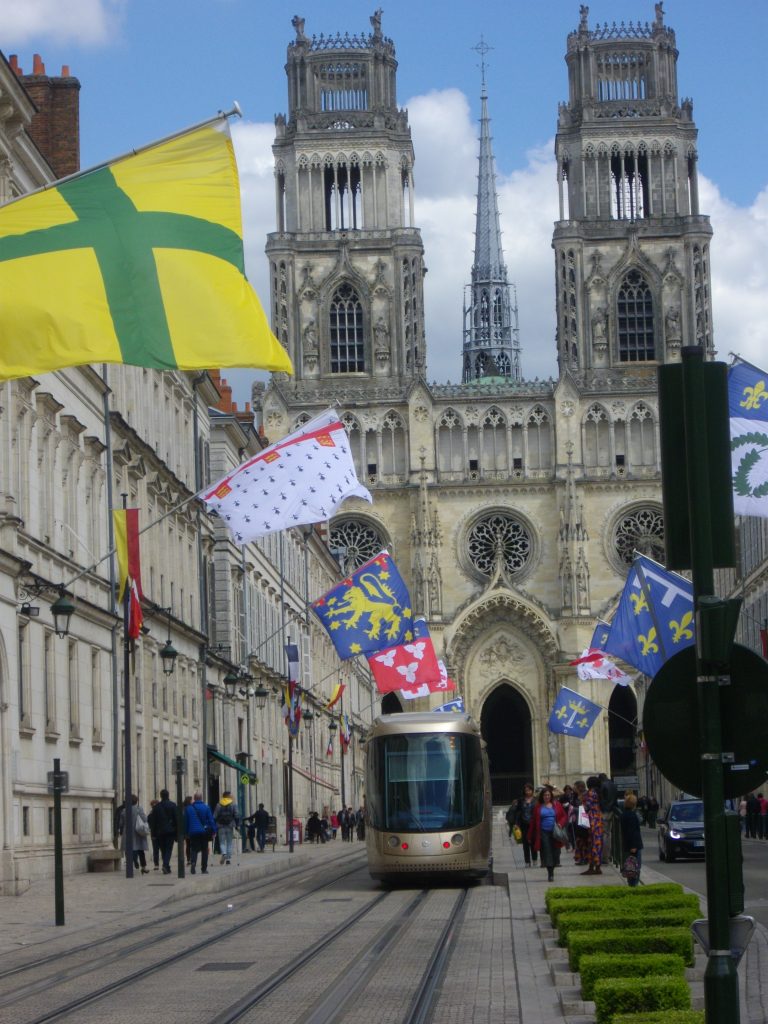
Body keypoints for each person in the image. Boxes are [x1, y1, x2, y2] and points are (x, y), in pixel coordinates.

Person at [528, 787, 568, 882]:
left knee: (555, 852)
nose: (547, 797)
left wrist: (560, 823)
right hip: (543, 833)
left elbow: (564, 816)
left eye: (548, 795)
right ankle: (550, 873)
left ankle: (552, 867)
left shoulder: (557, 805)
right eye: (545, 795)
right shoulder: (538, 807)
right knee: (547, 852)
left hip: (555, 833)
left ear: (551, 796)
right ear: (542, 796)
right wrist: (529, 835)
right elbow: (533, 821)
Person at [185, 791, 216, 874]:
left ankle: (193, 862)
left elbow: (186, 822)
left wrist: (186, 832)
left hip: (193, 831)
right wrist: (214, 831)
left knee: (194, 849)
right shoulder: (206, 807)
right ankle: (204, 868)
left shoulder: (188, 808)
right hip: (204, 831)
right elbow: (211, 820)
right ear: (201, 798)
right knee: (204, 850)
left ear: (194, 798)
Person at [119, 794, 150, 874]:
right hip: (138, 832)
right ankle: (143, 867)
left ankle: (133, 862)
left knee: (129, 849)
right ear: (136, 801)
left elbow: (121, 823)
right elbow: (145, 819)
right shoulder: (139, 809)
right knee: (140, 850)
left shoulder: (124, 810)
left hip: (127, 833)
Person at [580, 776, 604, 875]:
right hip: (598, 819)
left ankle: (591, 867)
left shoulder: (590, 793)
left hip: (591, 819)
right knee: (598, 843)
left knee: (591, 843)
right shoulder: (598, 793)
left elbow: (587, 806)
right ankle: (598, 866)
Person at [152, 789, 179, 874]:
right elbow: (177, 820)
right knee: (168, 849)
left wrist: (153, 834)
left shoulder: (156, 807)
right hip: (170, 831)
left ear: (161, 796)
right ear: (168, 795)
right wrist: (178, 833)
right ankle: (165, 864)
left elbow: (153, 822)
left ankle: (166, 866)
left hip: (159, 832)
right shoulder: (173, 805)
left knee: (163, 850)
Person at [619, 792, 643, 887]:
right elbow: (632, 831)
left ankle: (631, 882)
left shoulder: (624, 814)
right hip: (634, 844)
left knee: (630, 864)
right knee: (636, 865)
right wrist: (634, 846)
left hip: (628, 843)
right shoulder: (632, 815)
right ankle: (634, 884)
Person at [515, 783, 538, 868]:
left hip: (533, 824)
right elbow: (518, 812)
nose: (528, 792)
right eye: (526, 790)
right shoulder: (521, 800)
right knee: (525, 844)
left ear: (532, 790)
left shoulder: (536, 800)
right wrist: (516, 823)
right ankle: (527, 861)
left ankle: (535, 860)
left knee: (533, 842)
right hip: (524, 824)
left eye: (529, 790)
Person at [213, 790, 239, 865]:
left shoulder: (218, 804)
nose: (232, 796)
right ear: (228, 796)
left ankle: (224, 853)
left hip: (220, 825)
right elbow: (237, 815)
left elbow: (214, 816)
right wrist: (237, 825)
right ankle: (228, 859)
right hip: (230, 825)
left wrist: (214, 825)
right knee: (229, 842)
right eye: (231, 795)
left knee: (222, 841)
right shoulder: (233, 804)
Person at [147, 799, 161, 870]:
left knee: (156, 850)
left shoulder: (150, 815)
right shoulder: (160, 813)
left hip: (155, 834)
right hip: (159, 834)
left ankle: (156, 865)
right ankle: (158, 864)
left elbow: (149, 824)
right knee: (158, 850)